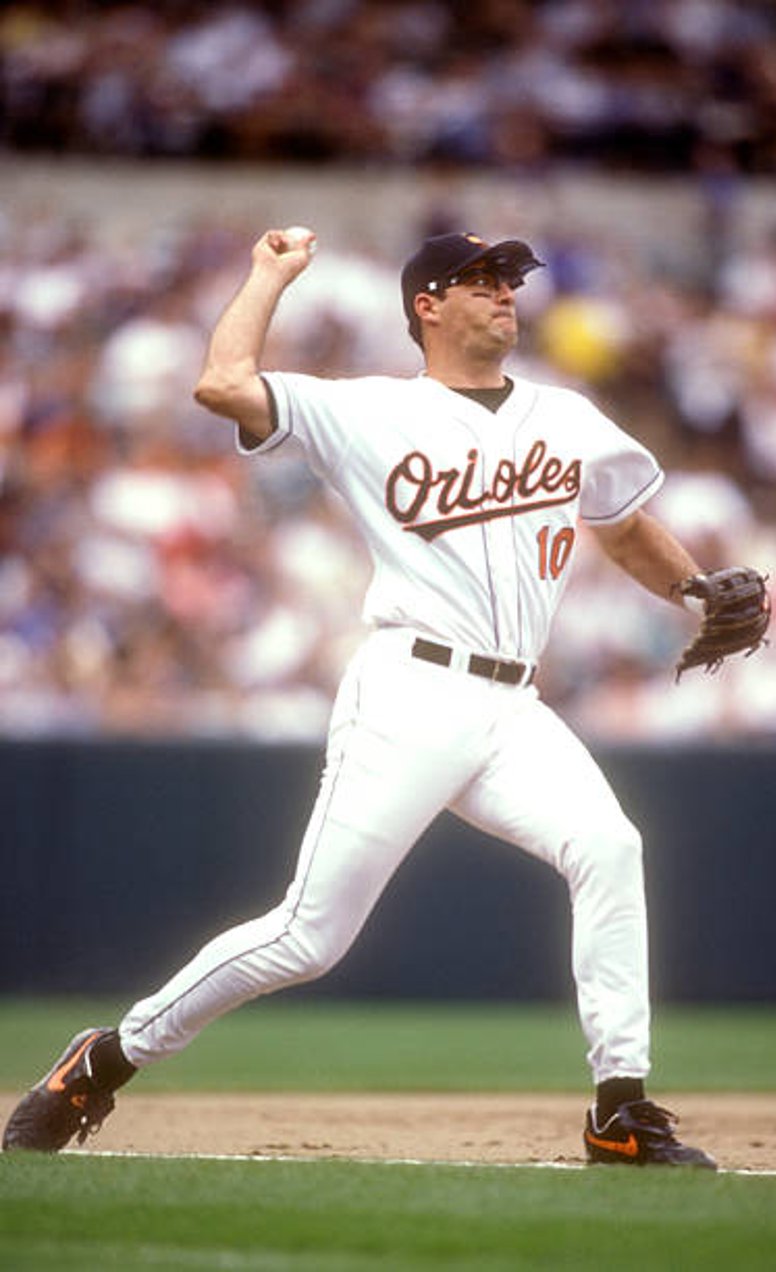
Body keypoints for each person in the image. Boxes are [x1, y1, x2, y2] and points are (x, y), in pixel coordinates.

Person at [3, 228, 719, 1168]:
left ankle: (619, 1109)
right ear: (427, 305)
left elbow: (621, 529)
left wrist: (698, 591)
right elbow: (222, 385)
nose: (506, 293)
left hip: (514, 706)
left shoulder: (567, 417)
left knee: (609, 846)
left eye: (510, 279)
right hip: (411, 691)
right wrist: (267, 275)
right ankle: (106, 1059)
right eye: (481, 280)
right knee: (308, 938)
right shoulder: (369, 411)